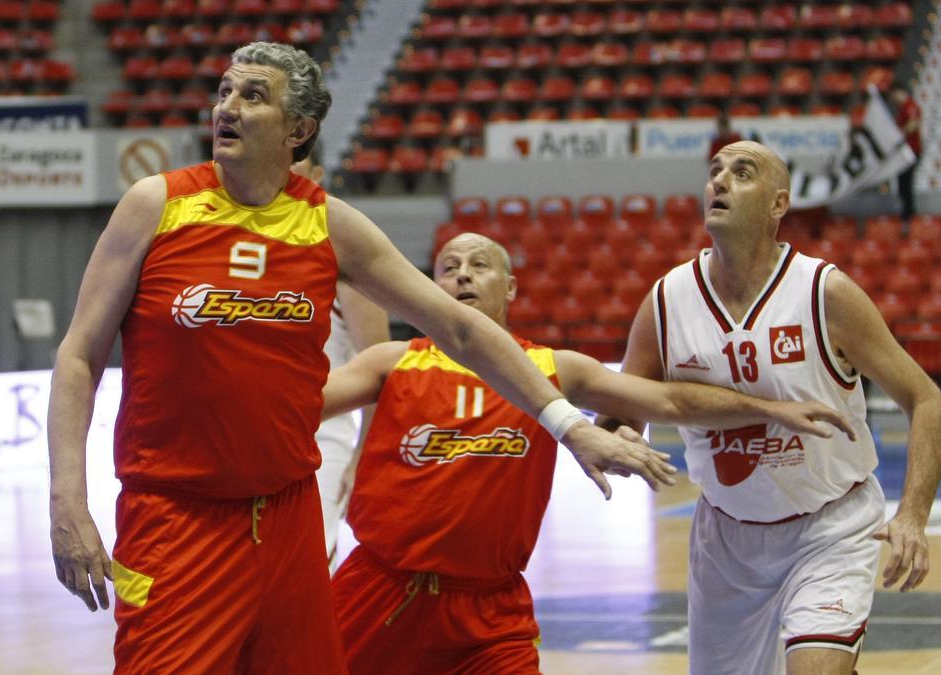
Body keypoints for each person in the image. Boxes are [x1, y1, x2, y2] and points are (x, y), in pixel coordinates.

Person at [46, 41, 675, 674]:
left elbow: (458, 330)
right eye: (225, 92)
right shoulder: (156, 205)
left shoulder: (330, 225)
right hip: (177, 518)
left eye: (252, 96)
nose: (228, 108)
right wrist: (68, 502)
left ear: (300, 130)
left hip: (287, 516)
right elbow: (79, 356)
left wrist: (566, 424)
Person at [321, 232, 856, 674]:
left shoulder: (553, 369)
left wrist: (769, 409)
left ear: (509, 288)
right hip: (379, 591)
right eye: (448, 266)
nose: (461, 274)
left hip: (487, 610)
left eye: (479, 264)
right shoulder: (393, 362)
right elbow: (304, 405)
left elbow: (667, 399)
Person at [610, 140, 941, 675]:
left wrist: (912, 515)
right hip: (726, 541)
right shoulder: (668, 300)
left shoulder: (823, 292)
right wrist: (617, 439)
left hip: (829, 526)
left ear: (778, 205)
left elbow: (927, 398)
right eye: (715, 172)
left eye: (742, 173)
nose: (719, 182)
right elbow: (622, 409)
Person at [291, 147, 391, 568]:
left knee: (310, 565)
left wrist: (363, 457)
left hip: (322, 435)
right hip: (247, 437)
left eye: (291, 164)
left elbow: (381, 368)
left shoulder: (342, 250)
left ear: (316, 172)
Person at [890, 85, 922, 220]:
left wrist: (899, 134)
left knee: (906, 183)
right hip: (904, 152)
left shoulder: (910, 106)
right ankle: (906, 211)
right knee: (902, 183)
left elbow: (914, 124)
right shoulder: (902, 108)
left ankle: (909, 213)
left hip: (911, 151)